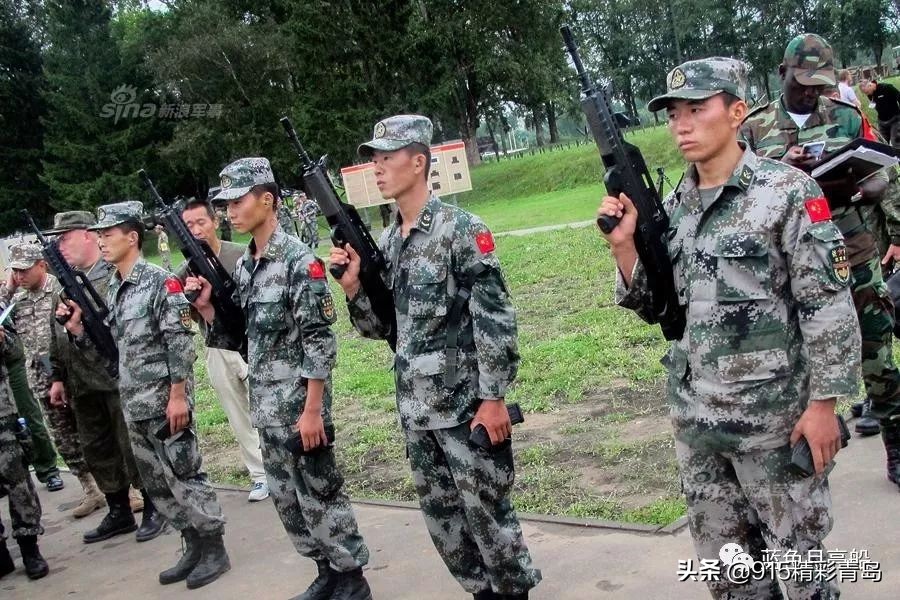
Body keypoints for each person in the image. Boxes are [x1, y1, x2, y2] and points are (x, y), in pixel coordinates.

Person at [605, 57, 860, 599]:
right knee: (731, 583)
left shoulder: (787, 193)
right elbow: (657, 307)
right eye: (675, 113)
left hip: (775, 426)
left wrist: (824, 407)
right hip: (699, 428)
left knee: (805, 579)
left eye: (698, 109)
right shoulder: (673, 205)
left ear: (737, 112)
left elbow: (828, 305)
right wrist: (625, 245)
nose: (682, 125)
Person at [330, 115, 541, 599]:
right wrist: (354, 289)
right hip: (417, 410)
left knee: (488, 517)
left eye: (387, 158)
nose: (378, 168)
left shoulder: (460, 229)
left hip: (465, 405)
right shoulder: (388, 243)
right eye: (375, 159)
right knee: (447, 526)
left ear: (419, 161)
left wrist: (493, 397)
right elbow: (380, 328)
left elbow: (496, 317)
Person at [189, 158, 372, 600]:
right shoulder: (249, 266)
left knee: (320, 491)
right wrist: (210, 310)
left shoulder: (297, 261)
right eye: (225, 203)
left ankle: (351, 577)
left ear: (267, 200)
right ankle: (324, 570)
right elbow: (245, 338)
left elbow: (319, 342)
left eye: (237, 200)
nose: (229, 210)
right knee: (287, 496)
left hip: (299, 405)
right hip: (266, 404)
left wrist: (313, 411)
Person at [742, 34, 900, 480]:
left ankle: (896, 441)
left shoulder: (847, 117)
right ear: (781, 73)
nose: (811, 91)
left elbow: (882, 178)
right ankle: (802, 456)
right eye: (802, 81)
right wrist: (786, 174)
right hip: (787, 260)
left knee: (877, 348)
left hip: (850, 245)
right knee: (795, 360)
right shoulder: (753, 130)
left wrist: (858, 185)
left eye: (820, 83)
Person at [58, 201, 230, 589]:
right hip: (134, 403)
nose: (101, 241)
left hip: (164, 402)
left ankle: (213, 547)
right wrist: (79, 333)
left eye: (108, 234)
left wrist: (178, 395)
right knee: (157, 482)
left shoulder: (158, 282)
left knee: (186, 475)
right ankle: (191, 544)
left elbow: (179, 342)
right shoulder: (117, 287)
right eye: (98, 234)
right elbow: (116, 352)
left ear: (131, 237)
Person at [45, 211, 164, 543]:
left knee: (131, 446)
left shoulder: (111, 277)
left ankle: (154, 504)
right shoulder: (65, 283)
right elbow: (55, 336)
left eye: (64, 238)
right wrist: (57, 377)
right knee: (97, 448)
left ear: (87, 235)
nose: (59, 246)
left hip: (113, 378)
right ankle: (118, 509)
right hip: (81, 383)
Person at [175, 198, 269, 502]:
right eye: (188, 225)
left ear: (215, 221)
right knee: (237, 413)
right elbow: (182, 318)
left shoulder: (239, 254)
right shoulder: (182, 271)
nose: (196, 230)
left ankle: (278, 465)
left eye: (201, 222)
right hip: (216, 345)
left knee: (266, 407)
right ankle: (258, 474)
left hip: (251, 340)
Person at [1, 243, 101, 516]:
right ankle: (91, 490)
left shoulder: (61, 291)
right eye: (15, 271)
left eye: (24, 270)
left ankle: (123, 490)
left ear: (41, 265)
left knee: (95, 434)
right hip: (42, 381)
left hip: (73, 376)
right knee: (65, 440)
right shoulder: (17, 300)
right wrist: (8, 288)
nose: (20, 276)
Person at [0, 324, 49, 580]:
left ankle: (30, 549)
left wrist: (2, 339)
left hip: (2, 418)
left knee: (17, 483)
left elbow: (14, 351)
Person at [1, 324, 62, 492]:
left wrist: (3, 339)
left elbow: (15, 345)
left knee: (29, 419)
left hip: (11, 365)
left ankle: (48, 471)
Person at [860, 78, 900, 148]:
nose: (867, 94)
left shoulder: (887, 88)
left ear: (870, 85)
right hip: (882, 122)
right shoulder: (870, 94)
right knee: (882, 144)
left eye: (867, 92)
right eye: (865, 93)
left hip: (894, 120)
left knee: (895, 143)